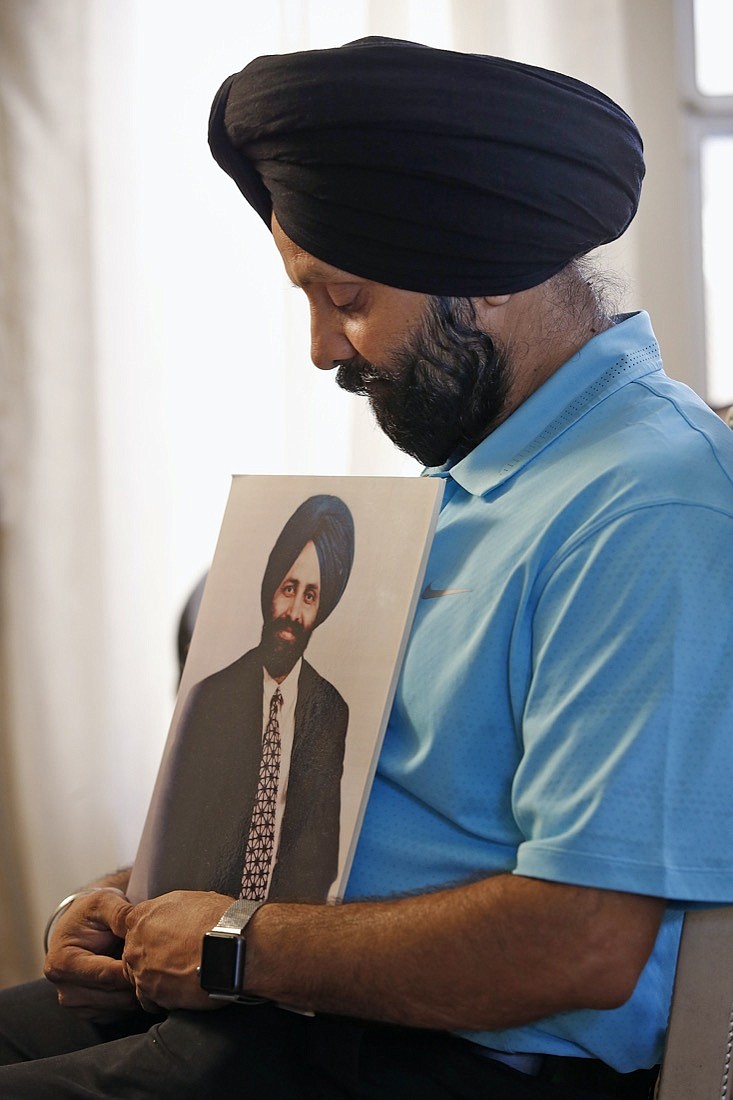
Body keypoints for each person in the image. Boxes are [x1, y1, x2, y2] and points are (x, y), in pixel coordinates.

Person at [2, 36, 733, 1100]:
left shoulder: (643, 503)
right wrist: (132, 904)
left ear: (478, 274)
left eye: (343, 296)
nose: (322, 347)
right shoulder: (487, 462)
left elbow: (579, 941)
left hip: (442, 1058)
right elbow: (373, 825)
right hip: (294, 1003)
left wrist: (232, 946)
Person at [139, 494, 354, 903]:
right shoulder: (209, 698)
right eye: (288, 588)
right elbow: (175, 845)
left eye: (310, 596)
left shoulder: (330, 708)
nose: (293, 610)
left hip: (282, 939)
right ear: (269, 588)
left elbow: (320, 856)